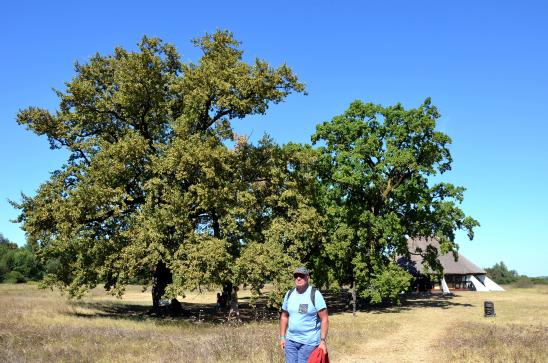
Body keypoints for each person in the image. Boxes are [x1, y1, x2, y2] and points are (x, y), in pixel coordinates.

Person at [279, 267, 329, 363]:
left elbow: (324, 319)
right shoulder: (289, 294)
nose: (298, 278)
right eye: (296, 276)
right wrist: (282, 337)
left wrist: (322, 341)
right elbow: (284, 316)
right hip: (290, 342)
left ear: (308, 278)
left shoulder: (315, 294)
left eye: (301, 276)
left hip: (308, 343)